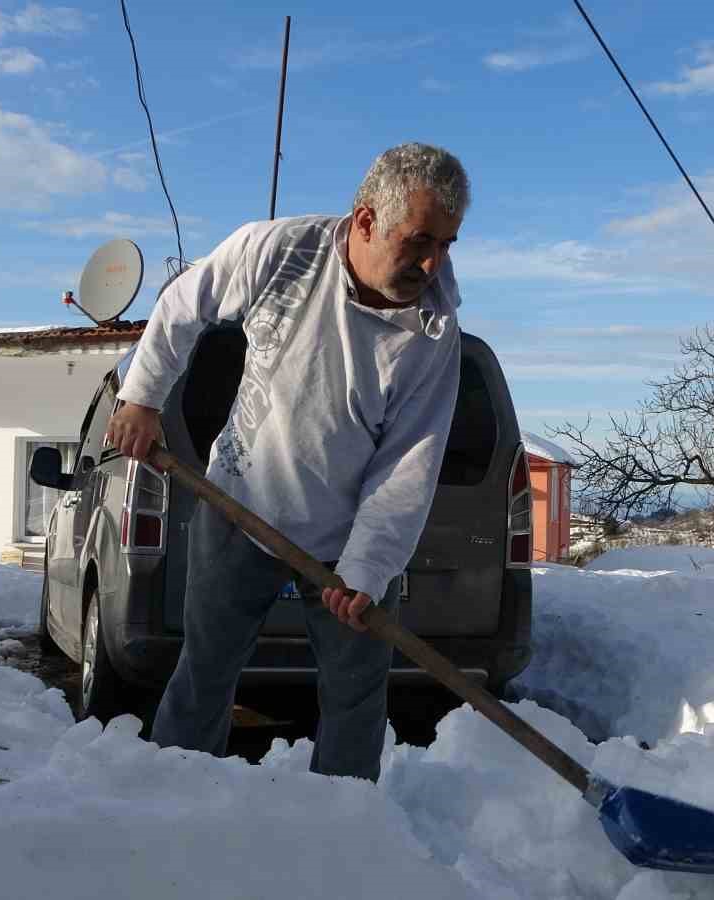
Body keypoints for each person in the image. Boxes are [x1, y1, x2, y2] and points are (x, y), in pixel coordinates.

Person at [105, 142, 468, 781]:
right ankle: (173, 794)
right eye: (418, 241)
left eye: (446, 244)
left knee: (356, 691)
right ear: (366, 221)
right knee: (206, 666)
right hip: (239, 503)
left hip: (345, 539)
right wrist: (142, 398)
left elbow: (408, 462)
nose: (432, 262)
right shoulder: (280, 251)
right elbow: (183, 306)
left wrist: (366, 569)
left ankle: (343, 813)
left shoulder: (433, 333)